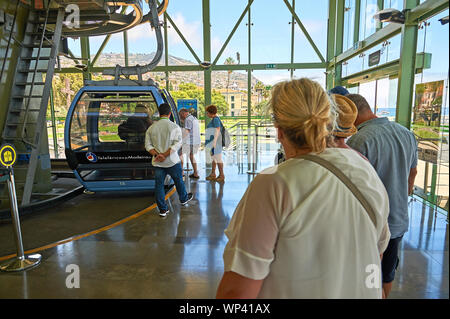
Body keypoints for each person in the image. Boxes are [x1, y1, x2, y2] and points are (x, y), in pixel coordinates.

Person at [216, 78, 391, 299]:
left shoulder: (273, 183)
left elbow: (238, 292)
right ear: (329, 121)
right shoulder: (365, 171)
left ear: (279, 131)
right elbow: (377, 252)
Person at [345, 93, 418, 298]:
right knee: (387, 275)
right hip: (398, 220)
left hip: (370, 226)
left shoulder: (359, 141)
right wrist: (400, 197)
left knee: (366, 280)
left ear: (352, 113)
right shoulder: (406, 133)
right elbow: (413, 173)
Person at [145, 103, 193, 217]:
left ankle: (162, 210)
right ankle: (183, 199)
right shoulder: (174, 127)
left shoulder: (151, 128)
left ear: (159, 113)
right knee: (178, 181)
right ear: (170, 113)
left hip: (157, 162)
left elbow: (148, 145)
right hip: (172, 161)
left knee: (159, 186)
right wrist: (165, 155)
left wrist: (158, 155)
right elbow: (178, 144)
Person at [205, 104, 225, 183]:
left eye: (207, 112)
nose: (207, 114)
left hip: (216, 143)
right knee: (214, 158)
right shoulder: (214, 119)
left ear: (211, 112)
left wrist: (214, 142)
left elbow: (217, 130)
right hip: (213, 143)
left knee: (218, 159)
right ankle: (213, 174)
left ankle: (222, 175)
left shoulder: (216, 119)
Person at [179, 108, 201, 179]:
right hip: (196, 140)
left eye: (180, 115)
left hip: (191, 141)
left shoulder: (188, 119)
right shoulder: (194, 118)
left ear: (183, 113)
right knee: (191, 156)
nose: (181, 117)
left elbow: (187, 131)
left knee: (180, 153)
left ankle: (181, 172)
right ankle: (195, 173)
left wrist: (180, 139)